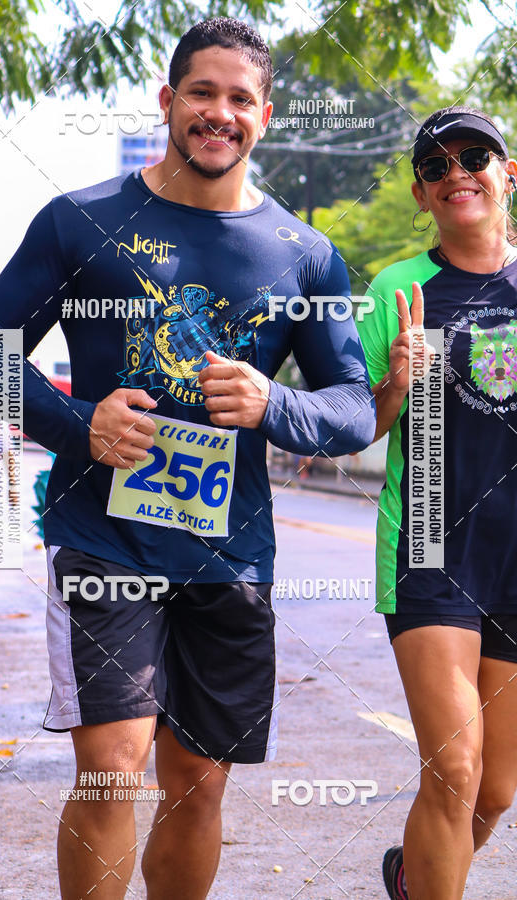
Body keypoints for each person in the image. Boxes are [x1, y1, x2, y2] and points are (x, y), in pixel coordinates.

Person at [0, 17, 375, 900]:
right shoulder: (82, 222)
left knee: (197, 783)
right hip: (104, 538)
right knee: (113, 763)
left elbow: (348, 409)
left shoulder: (306, 255)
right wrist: (81, 423)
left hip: (232, 556)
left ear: (263, 115)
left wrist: (277, 404)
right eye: (201, 93)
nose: (217, 113)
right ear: (168, 101)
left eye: (238, 99)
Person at [357, 106, 517, 900]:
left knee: (493, 792)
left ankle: (413, 883)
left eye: (475, 156)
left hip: (516, 555)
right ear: (422, 194)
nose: (457, 172)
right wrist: (397, 379)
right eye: (436, 165)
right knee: (454, 766)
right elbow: (363, 420)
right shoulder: (398, 288)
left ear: (506, 171)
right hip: (428, 544)